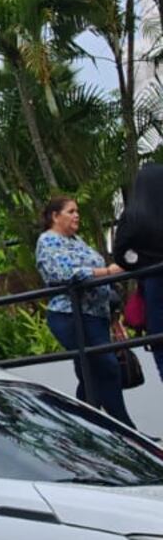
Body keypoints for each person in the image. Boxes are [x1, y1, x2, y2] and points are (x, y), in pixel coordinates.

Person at [34, 196, 130, 424]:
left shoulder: (77, 241)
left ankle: (86, 427)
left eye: (77, 211)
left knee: (92, 373)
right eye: (70, 211)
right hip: (70, 314)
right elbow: (66, 273)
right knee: (103, 367)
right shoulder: (48, 241)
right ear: (55, 216)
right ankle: (125, 428)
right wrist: (107, 272)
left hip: (96, 316)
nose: (76, 215)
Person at [112, 163, 163, 382]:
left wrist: (141, 263)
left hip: (153, 282)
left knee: (160, 342)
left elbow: (121, 252)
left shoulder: (133, 214)